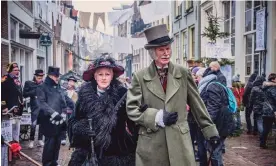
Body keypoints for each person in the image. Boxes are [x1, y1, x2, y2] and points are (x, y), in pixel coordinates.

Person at [126, 24, 220, 166]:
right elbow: (132, 109)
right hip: (151, 143)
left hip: (179, 142)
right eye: (161, 49)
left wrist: (210, 131)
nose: (166, 53)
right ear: (152, 52)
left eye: (168, 48)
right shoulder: (139, 77)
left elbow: (197, 104)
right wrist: (156, 116)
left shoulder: (182, 73)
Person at [68, 57, 138, 166]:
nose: (104, 78)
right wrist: (82, 128)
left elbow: (132, 121)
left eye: (107, 74)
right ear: (95, 76)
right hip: (90, 151)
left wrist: (140, 111)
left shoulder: (122, 94)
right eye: (100, 74)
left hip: (116, 151)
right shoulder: (84, 95)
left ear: (112, 76)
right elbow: (73, 121)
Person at [36, 66, 74, 166]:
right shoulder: (42, 87)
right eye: (54, 76)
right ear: (49, 76)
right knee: (50, 143)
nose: (57, 78)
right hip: (48, 120)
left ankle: (54, 162)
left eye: (57, 76)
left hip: (59, 120)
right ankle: (47, 164)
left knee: (57, 143)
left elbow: (66, 100)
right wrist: (53, 113)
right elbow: (42, 103)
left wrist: (76, 107)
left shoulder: (59, 88)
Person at [197, 67, 232, 166]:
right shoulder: (211, 84)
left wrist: (208, 125)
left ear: (203, 76)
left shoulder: (212, 86)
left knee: (215, 150)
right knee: (215, 149)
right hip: (219, 120)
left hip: (218, 122)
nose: (197, 78)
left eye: (198, 76)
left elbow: (213, 107)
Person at [23, 69, 45, 148]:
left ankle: (40, 140)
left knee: (42, 124)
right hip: (34, 107)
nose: (40, 79)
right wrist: (34, 91)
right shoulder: (29, 83)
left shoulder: (44, 84)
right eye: (39, 78)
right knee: (33, 124)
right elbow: (24, 94)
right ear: (35, 76)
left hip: (43, 108)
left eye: (41, 78)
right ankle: (31, 140)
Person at [60, 76, 78, 146]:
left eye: (72, 81)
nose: (71, 83)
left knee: (72, 125)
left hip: (73, 111)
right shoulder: (64, 91)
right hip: (64, 110)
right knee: (64, 124)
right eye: (70, 81)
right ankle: (63, 138)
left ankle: (72, 139)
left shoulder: (77, 91)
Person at [249, 75, 266, 145]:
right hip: (266, 108)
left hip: (257, 108)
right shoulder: (265, 88)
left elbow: (251, 99)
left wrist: (250, 106)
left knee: (259, 122)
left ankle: (262, 138)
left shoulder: (254, 88)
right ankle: (263, 137)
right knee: (264, 123)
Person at [261, 73, 276, 148]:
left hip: (265, 110)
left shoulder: (265, 88)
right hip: (272, 111)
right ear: (273, 79)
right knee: (268, 128)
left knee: (266, 128)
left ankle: (262, 143)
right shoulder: (273, 88)